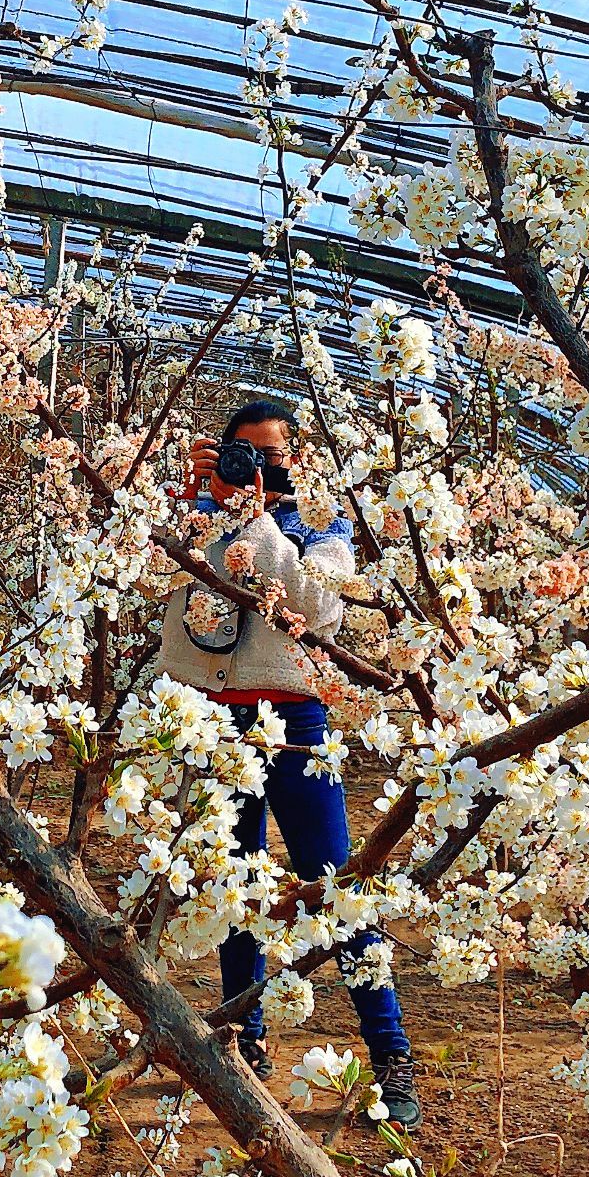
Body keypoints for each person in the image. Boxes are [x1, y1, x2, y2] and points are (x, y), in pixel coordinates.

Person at [158, 397, 421, 1129]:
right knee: (236, 890)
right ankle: (245, 1036)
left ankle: (389, 1053)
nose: (256, 468)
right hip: (214, 718)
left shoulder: (326, 530)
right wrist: (198, 505)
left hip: (297, 719)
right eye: (242, 453)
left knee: (337, 887)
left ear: (294, 460)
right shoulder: (199, 515)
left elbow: (310, 602)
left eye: (270, 456)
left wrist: (252, 517)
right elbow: (168, 593)